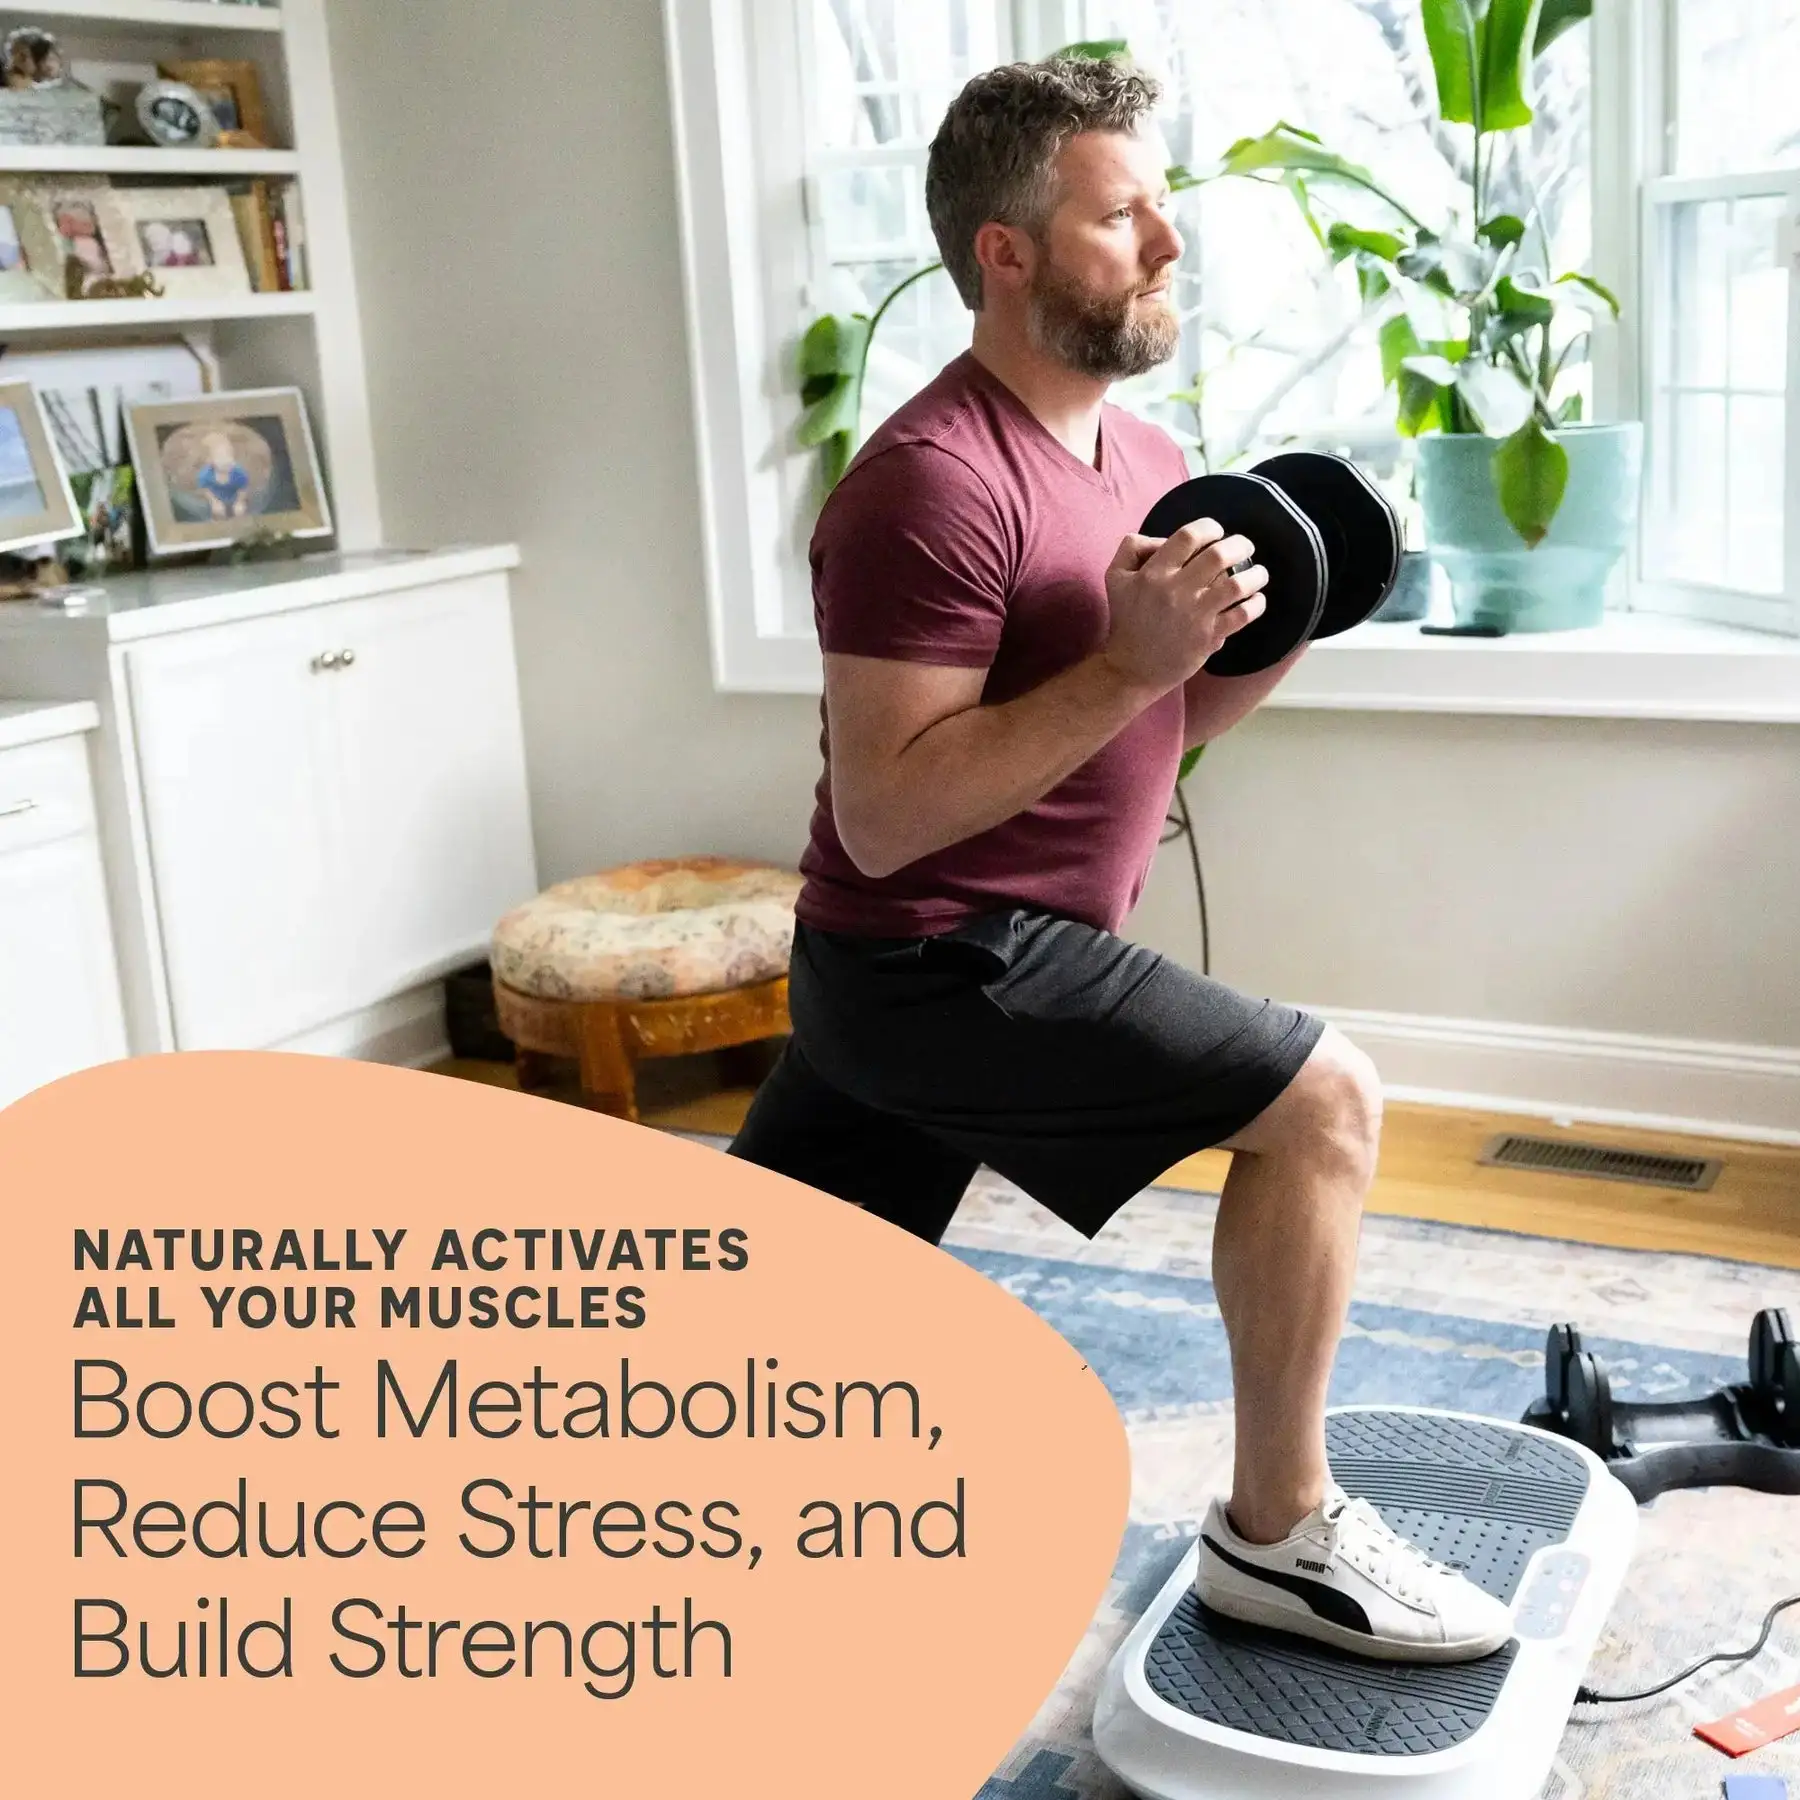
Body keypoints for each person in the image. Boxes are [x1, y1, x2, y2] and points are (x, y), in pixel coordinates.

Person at [729, 53, 1512, 1667]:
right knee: (1323, 1102)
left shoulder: (1143, 463)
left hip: (956, 956)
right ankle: (1279, 1536)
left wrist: (1278, 616)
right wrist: (1130, 667)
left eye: (1164, 209)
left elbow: (1173, 714)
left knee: (747, 1331)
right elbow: (887, 813)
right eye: (1118, 218)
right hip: (939, 961)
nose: (1169, 246)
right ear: (1003, 252)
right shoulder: (926, 487)